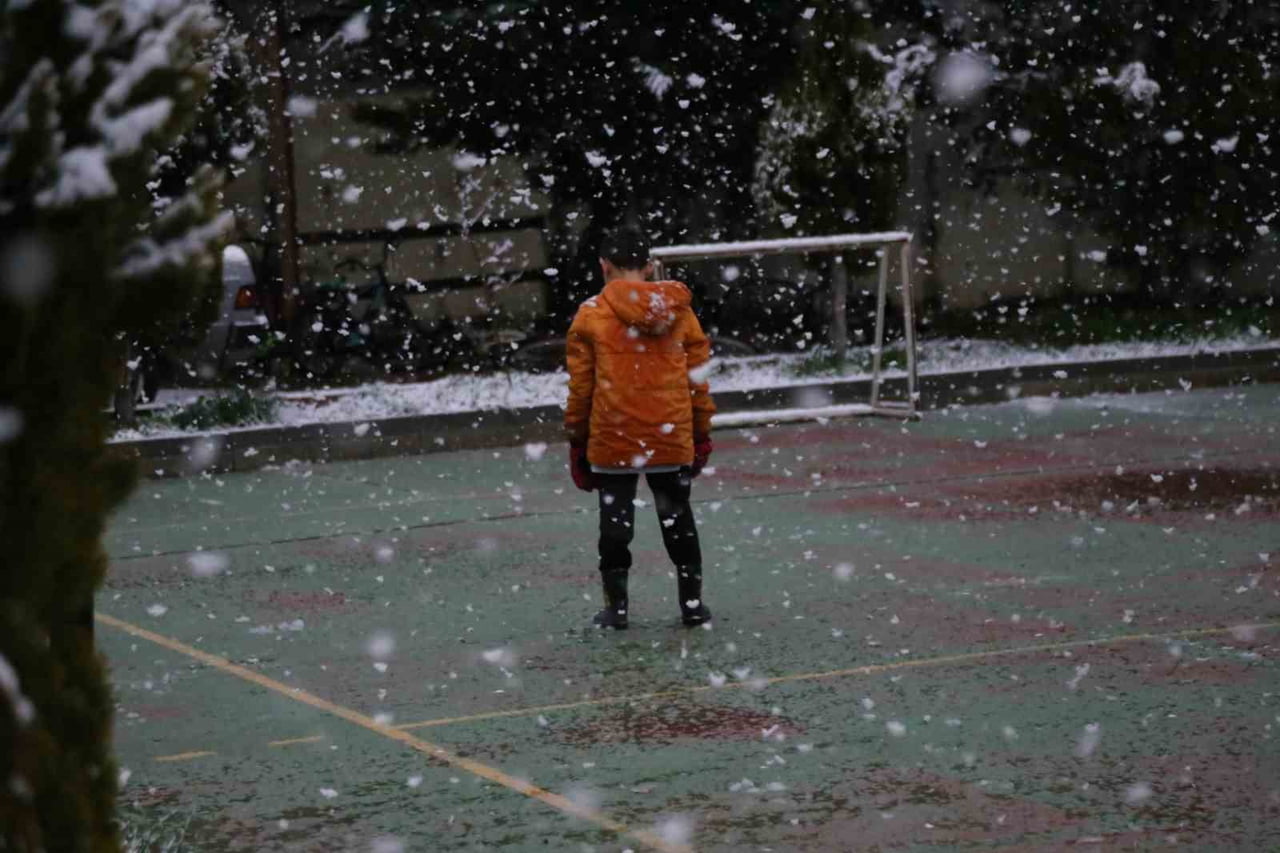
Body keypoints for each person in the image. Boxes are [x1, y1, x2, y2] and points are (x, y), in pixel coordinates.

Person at [564, 225, 715, 630]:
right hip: (670, 434)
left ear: (604, 266)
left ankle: (617, 609)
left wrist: (578, 438)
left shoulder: (591, 314)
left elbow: (582, 389)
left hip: (613, 438)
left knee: (615, 528)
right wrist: (700, 432)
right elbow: (698, 382)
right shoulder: (680, 311)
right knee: (678, 520)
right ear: (649, 266)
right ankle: (692, 604)